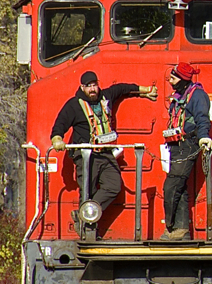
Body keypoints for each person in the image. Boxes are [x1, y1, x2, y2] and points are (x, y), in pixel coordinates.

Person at [51, 71, 157, 229]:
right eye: (89, 86)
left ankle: (83, 213)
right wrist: (57, 140)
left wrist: (145, 91)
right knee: (88, 191)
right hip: (87, 156)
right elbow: (59, 125)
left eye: (95, 85)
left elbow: (122, 88)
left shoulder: (106, 96)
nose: (93, 89)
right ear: (82, 87)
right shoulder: (73, 105)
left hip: (106, 154)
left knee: (114, 186)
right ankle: (87, 229)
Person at [160, 62, 212, 239]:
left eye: (174, 78)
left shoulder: (197, 96)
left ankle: (168, 227)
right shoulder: (179, 94)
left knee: (172, 186)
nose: (170, 80)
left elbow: (202, 119)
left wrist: (203, 137)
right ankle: (181, 229)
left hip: (187, 145)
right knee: (181, 187)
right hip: (175, 147)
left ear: (183, 79)